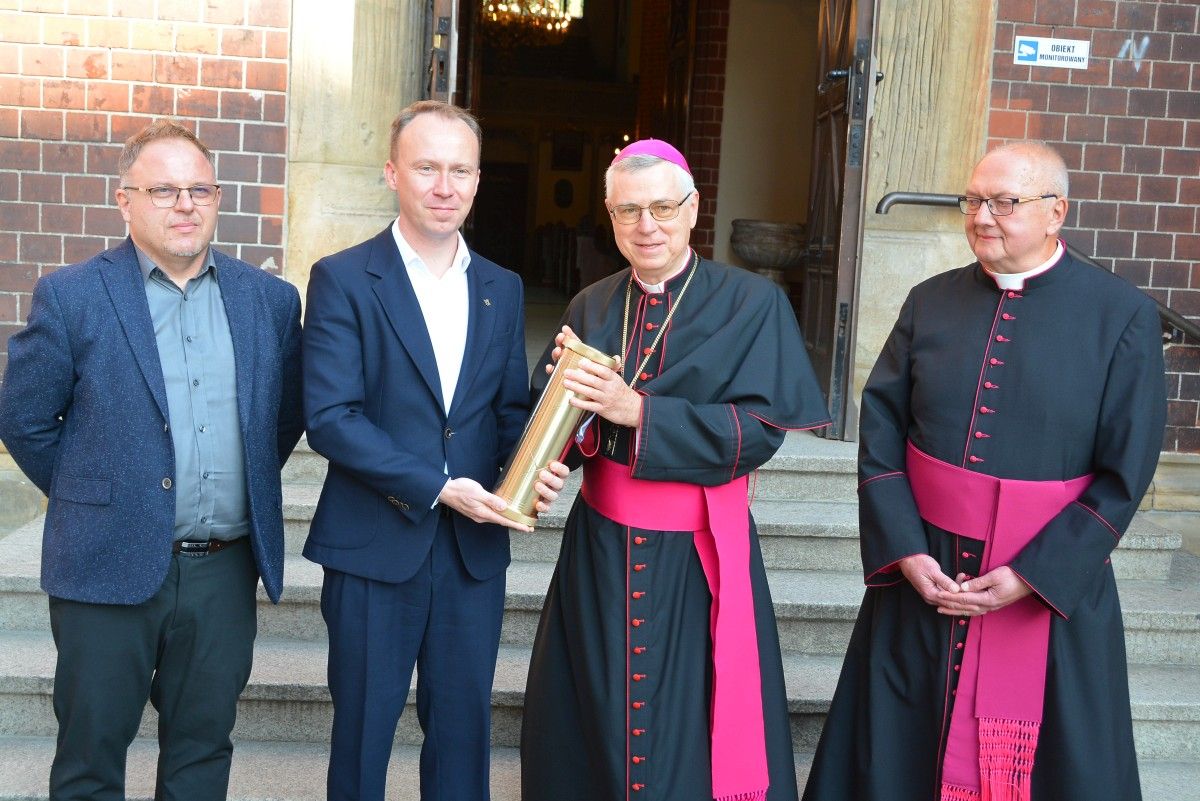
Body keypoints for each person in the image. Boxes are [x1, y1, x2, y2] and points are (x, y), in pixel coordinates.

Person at [803, 141, 1166, 801]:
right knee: (896, 754)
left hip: (1048, 587)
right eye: (974, 200)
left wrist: (1034, 574)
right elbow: (881, 431)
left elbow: (1125, 471)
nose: (982, 216)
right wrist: (905, 550)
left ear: (1057, 212)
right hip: (929, 575)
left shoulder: (1122, 316)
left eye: (1005, 201)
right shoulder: (929, 302)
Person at [519, 139, 832, 801]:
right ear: (610, 217)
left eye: (663, 207)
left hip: (699, 555)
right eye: (628, 210)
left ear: (693, 209)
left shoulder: (752, 305)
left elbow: (761, 431)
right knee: (593, 708)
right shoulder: (591, 305)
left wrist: (642, 412)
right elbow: (561, 425)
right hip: (598, 549)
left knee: (692, 716)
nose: (647, 225)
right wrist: (550, 459)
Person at [0, 120, 303, 801]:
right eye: (164, 189)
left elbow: (280, 420)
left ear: (218, 198)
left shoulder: (270, 302)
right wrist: (100, 493)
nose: (185, 203)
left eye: (200, 188)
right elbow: (23, 418)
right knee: (88, 758)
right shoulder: (73, 294)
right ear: (124, 201)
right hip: (105, 565)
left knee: (202, 753)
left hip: (223, 572)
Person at [301, 100, 565, 801]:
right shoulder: (344, 277)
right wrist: (437, 485)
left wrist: (533, 468)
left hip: (470, 556)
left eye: (460, 170)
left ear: (478, 181)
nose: (444, 185)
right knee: (362, 738)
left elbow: (508, 410)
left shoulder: (501, 289)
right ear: (393, 173)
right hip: (373, 547)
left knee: (462, 738)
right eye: (426, 167)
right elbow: (330, 417)